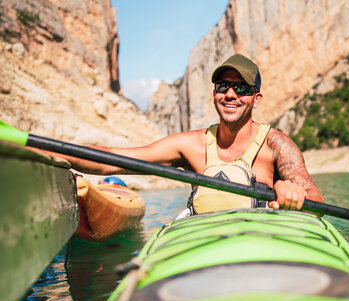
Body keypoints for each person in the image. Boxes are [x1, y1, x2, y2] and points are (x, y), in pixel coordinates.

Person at [55, 54, 324, 213]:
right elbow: (112, 160)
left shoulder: (275, 144)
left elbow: (316, 200)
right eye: (223, 86)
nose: (230, 94)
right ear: (215, 93)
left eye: (241, 88)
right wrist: (47, 151)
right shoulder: (191, 145)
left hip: (260, 245)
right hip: (204, 245)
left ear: (257, 99)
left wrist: (293, 194)